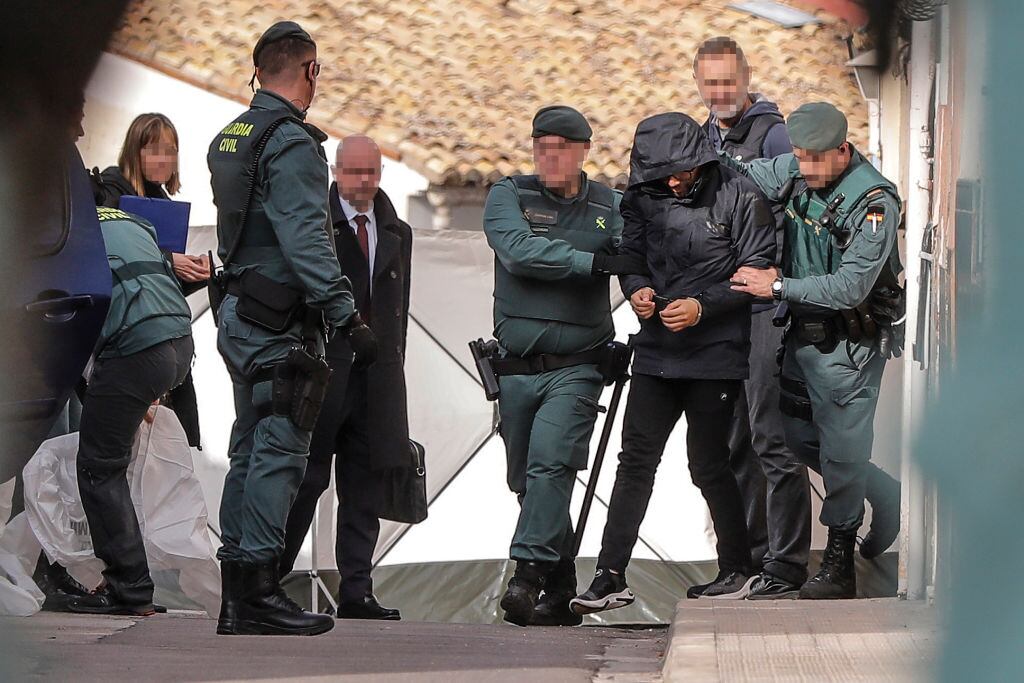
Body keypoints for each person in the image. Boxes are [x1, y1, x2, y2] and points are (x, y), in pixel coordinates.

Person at [571, 112, 776, 615]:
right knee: (634, 463)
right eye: (662, 173)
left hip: (717, 356)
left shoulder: (741, 194)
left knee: (709, 464)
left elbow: (759, 271)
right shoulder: (641, 197)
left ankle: (736, 569)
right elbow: (631, 255)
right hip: (656, 352)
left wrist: (704, 306)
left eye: (681, 171)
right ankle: (608, 575)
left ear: (700, 160)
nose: (673, 181)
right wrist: (636, 288)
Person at [207, 21, 374, 636]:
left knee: (248, 449)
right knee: (279, 451)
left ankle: (237, 598)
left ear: (258, 70)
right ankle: (257, 591)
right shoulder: (293, 142)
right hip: (280, 322)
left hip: (239, 311)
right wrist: (345, 314)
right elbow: (306, 238)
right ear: (310, 71)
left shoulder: (232, 137)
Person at [729, 102, 904, 599]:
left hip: (849, 346)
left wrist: (778, 287)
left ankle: (838, 564)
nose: (804, 170)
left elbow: (851, 286)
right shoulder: (802, 167)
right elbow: (748, 172)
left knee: (843, 453)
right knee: (798, 440)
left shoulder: (874, 202)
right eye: (799, 158)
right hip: (803, 337)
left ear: (843, 150)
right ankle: (881, 491)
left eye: (814, 160)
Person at [483, 105, 641, 627]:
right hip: (514, 368)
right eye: (541, 147)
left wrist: (640, 292)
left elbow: (637, 261)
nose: (550, 157)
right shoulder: (509, 195)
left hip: (577, 365)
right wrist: (590, 262)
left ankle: (527, 576)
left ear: (583, 152)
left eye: (561, 148)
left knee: (552, 464)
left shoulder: (611, 206)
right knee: (527, 481)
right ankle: (563, 582)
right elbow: (518, 252)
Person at [694, 36, 811, 599]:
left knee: (771, 436)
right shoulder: (702, 134)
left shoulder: (774, 134)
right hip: (723, 305)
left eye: (728, 81)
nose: (720, 92)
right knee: (735, 439)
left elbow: (795, 199)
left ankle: (787, 566)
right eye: (710, 82)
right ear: (699, 83)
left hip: (766, 301)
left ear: (746, 78)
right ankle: (749, 562)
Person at [280, 135, 411, 621]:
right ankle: (270, 580)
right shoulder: (317, 223)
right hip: (326, 369)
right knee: (306, 478)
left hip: (376, 376)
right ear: (336, 171)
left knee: (364, 486)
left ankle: (357, 589)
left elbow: (397, 311)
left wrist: (394, 372)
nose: (364, 182)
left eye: (371, 172)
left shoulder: (396, 229)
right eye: (354, 172)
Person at [66, 206, 194, 615]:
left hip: (136, 346)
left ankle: (129, 589)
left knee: (98, 467)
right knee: (113, 462)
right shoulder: (127, 219)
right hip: (177, 341)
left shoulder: (66, 225)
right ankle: (131, 582)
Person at [92, 113, 208, 448]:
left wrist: (196, 270)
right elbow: (111, 260)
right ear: (135, 150)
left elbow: (164, 284)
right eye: (155, 150)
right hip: (123, 337)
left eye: (171, 151)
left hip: (162, 336)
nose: (165, 159)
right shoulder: (109, 194)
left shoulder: (165, 204)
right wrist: (170, 260)